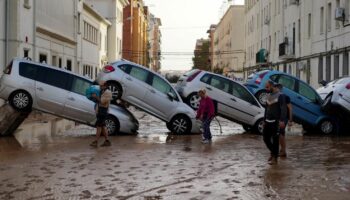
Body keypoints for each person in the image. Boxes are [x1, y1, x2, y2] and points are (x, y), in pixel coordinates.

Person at [263, 80, 288, 165]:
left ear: (272, 86)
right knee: (265, 139)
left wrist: (282, 120)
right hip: (267, 121)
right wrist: (264, 120)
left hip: (276, 121)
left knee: (275, 139)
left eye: (267, 87)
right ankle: (273, 152)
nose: (266, 89)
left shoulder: (281, 96)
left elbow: (283, 109)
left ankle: (275, 158)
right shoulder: (268, 95)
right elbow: (266, 109)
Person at [90, 81, 113, 147]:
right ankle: (107, 141)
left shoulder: (108, 92)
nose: (100, 87)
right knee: (103, 126)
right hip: (100, 110)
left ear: (105, 86)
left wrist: (96, 97)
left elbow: (102, 102)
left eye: (101, 86)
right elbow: (98, 101)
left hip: (103, 111)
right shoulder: (102, 91)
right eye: (100, 86)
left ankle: (96, 142)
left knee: (99, 126)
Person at [276, 84, 293, 157]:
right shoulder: (275, 97)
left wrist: (290, 120)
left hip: (284, 118)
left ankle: (284, 151)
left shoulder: (285, 97)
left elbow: (290, 108)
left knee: (281, 134)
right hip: (278, 118)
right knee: (279, 134)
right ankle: (282, 150)